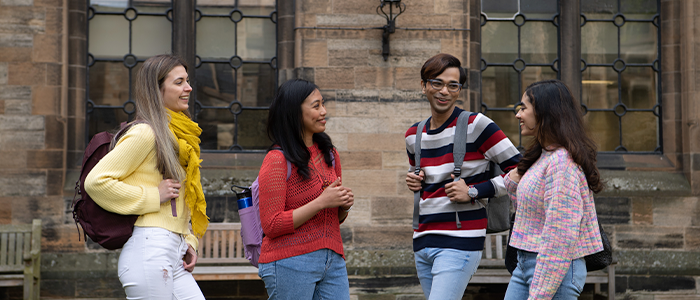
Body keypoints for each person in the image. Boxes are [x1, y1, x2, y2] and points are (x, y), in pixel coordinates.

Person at [85, 54, 208, 299]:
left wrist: (188, 241)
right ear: (157, 89)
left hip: (172, 250)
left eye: (187, 80)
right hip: (150, 250)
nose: (188, 87)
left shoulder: (178, 136)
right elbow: (96, 181)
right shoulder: (145, 133)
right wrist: (154, 195)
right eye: (179, 82)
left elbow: (183, 198)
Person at [404, 53, 521, 300]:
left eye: (453, 85)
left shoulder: (477, 125)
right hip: (422, 240)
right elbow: (428, 179)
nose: (444, 91)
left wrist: (474, 191)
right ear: (424, 85)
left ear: (459, 90)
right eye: (437, 83)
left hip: (460, 241)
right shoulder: (413, 134)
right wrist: (416, 179)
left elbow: (522, 172)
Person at [504, 79, 604, 299]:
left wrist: (540, 294)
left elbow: (560, 234)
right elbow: (527, 206)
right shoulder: (544, 155)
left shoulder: (561, 163)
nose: (518, 115)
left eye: (524, 108)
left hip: (554, 270)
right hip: (525, 264)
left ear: (544, 113)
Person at [257, 79, 354, 300]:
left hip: (333, 259)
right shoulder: (277, 160)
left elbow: (333, 218)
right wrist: (321, 201)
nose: (324, 111)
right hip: (289, 262)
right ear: (294, 112)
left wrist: (343, 206)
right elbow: (271, 224)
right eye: (316, 105)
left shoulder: (330, 153)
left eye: (323, 104)